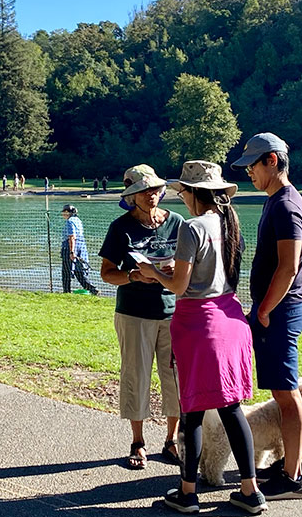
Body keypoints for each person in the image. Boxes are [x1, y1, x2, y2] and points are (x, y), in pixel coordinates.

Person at [138, 160, 267, 515]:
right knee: (230, 408)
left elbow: (180, 286)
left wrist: (152, 271)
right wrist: (173, 270)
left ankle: (188, 493)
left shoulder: (192, 227)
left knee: (192, 410)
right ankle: (250, 491)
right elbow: (213, 270)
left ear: (195, 193)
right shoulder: (229, 224)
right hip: (230, 319)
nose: (181, 199)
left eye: (182, 193)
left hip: (199, 325)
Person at [230, 132, 302, 500]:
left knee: (286, 392)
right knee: (282, 391)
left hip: (280, 312)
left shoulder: (286, 206)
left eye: (253, 164)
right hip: (276, 312)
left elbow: (289, 267)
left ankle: (292, 477)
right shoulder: (276, 201)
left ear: (273, 161)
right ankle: (292, 465)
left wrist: (264, 309)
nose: (249, 172)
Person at [98, 164, 182, 471]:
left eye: (156, 189)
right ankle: (138, 442)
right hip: (134, 315)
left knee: (174, 377)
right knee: (136, 376)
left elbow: (193, 263)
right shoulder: (120, 228)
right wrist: (133, 276)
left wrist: (177, 272)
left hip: (174, 313)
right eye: (143, 191)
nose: (152, 195)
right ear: (131, 196)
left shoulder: (177, 222)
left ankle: (172, 440)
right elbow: (107, 274)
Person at [61, 204, 98, 295]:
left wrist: (71, 251)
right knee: (79, 271)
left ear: (67, 212)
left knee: (66, 271)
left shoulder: (70, 221)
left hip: (70, 247)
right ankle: (92, 289)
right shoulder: (78, 220)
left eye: (64, 212)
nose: (63, 214)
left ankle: (66, 291)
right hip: (81, 246)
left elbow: (72, 237)